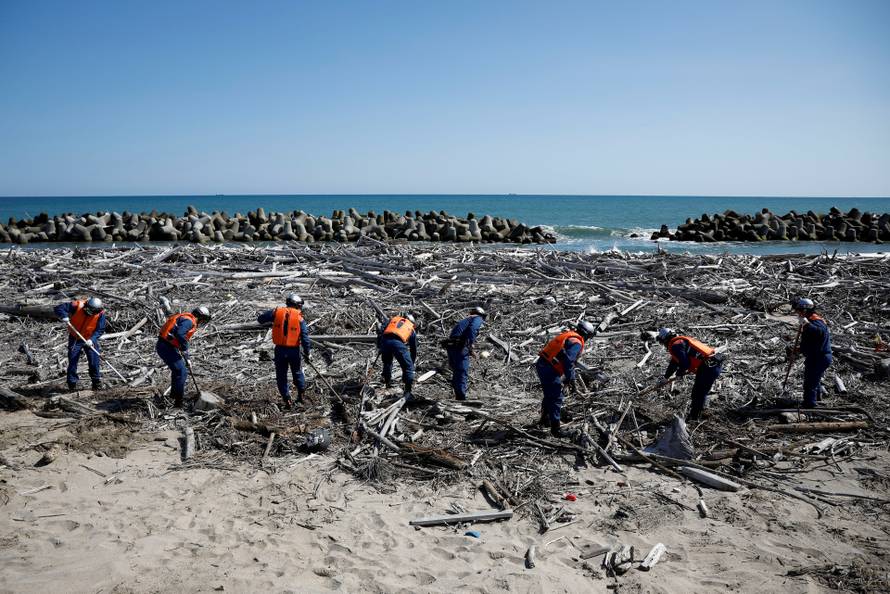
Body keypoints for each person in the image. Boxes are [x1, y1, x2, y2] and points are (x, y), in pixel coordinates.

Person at [536, 320, 596, 437]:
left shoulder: (569, 336)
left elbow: (563, 357)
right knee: (556, 397)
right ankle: (556, 430)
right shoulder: (577, 342)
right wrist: (571, 379)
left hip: (542, 364)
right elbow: (568, 361)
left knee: (549, 395)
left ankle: (545, 420)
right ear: (586, 335)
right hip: (549, 369)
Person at [655, 327, 723, 420]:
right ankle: (695, 414)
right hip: (711, 365)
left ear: (665, 339)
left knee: (699, 393)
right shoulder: (679, 342)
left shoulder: (676, 345)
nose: (663, 345)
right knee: (696, 392)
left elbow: (685, 363)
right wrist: (666, 377)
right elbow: (674, 363)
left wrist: (679, 374)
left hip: (709, 367)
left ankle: (695, 418)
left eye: (662, 342)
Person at [257, 294, 311, 409]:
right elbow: (305, 338)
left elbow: (260, 319)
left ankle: (287, 400)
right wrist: (307, 353)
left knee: (281, 375)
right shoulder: (299, 318)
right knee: (297, 372)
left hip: (280, 350)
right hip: (294, 351)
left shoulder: (276, 312)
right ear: (297, 305)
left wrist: (275, 320)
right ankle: (301, 396)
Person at [156, 306, 211, 407]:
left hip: (166, 346)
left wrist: (186, 357)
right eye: (203, 319)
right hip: (165, 347)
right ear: (200, 316)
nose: (202, 322)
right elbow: (180, 334)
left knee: (178, 371)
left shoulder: (186, 318)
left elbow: (178, 338)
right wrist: (185, 349)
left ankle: (175, 397)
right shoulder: (189, 321)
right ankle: (178, 402)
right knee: (181, 372)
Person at [54, 297, 106, 391]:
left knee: (94, 361)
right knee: (73, 360)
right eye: (89, 309)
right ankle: (72, 384)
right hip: (75, 338)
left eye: (92, 311)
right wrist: (64, 315)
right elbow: (58, 308)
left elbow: (100, 329)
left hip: (89, 339)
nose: (90, 312)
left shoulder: (100, 314)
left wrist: (92, 339)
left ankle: (96, 383)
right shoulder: (77, 305)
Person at [791, 297, 832, 408]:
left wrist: (807, 324)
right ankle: (817, 399)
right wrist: (799, 349)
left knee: (810, 382)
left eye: (799, 311)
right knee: (814, 380)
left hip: (820, 357)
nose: (798, 313)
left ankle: (810, 405)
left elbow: (819, 332)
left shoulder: (816, 321)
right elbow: (811, 341)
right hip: (815, 356)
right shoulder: (810, 320)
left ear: (805, 310)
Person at [443, 306, 487, 400]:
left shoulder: (465, 320)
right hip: (460, 347)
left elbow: (457, 335)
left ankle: (458, 396)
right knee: (462, 371)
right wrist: (470, 345)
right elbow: (472, 329)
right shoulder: (477, 318)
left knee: (456, 372)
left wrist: (470, 350)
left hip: (451, 346)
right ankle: (461, 397)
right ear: (481, 315)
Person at [378, 313, 417, 399]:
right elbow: (413, 350)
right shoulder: (410, 328)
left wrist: (380, 346)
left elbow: (381, 330)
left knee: (387, 362)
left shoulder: (393, 320)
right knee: (408, 367)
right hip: (397, 344)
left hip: (385, 341)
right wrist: (411, 363)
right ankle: (408, 391)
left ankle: (387, 383)